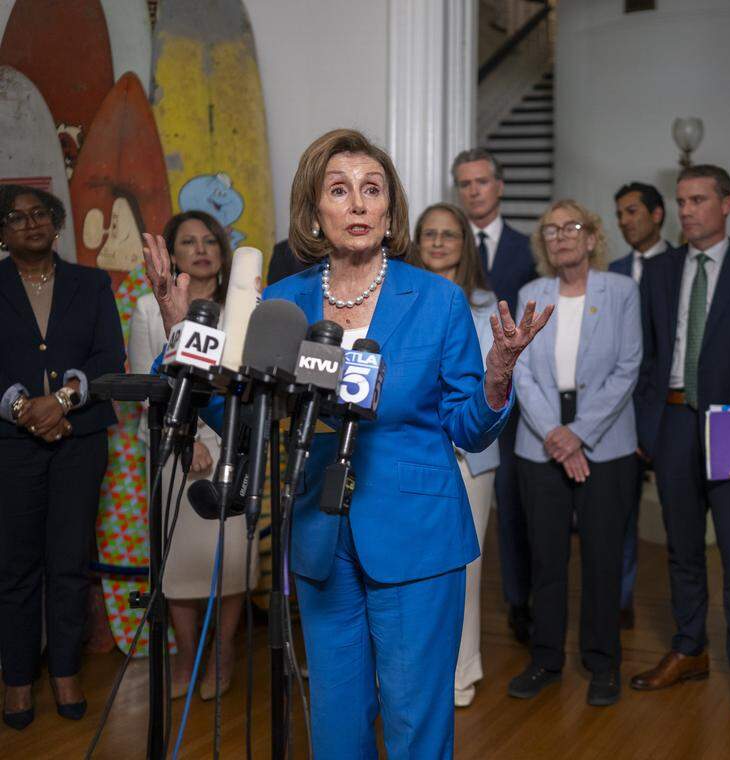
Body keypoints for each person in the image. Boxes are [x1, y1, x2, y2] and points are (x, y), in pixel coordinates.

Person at [141, 129, 551, 759]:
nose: (357, 204)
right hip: (318, 531)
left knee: (415, 724)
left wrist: (497, 378)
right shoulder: (280, 303)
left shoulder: (436, 299)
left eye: (372, 190)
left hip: (417, 534)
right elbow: (238, 418)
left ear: (389, 211)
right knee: (334, 725)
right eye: (340, 190)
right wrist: (182, 338)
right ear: (314, 211)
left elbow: (468, 427)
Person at [631, 165, 730, 719]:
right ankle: (688, 648)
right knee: (681, 549)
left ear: (727, 203)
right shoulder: (660, 271)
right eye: (681, 201)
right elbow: (649, 358)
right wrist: (647, 430)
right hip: (672, 423)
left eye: (699, 199)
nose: (688, 210)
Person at [0, 184, 125, 728]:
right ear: (2, 232)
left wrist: (62, 402)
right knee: (15, 567)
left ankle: (67, 672)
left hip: (81, 438)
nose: (30, 224)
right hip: (11, 443)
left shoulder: (92, 283)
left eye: (40, 215)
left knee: (70, 564)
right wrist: (25, 408)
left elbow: (109, 356)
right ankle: (18, 680)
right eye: (15, 217)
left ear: (55, 224)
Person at [508, 200, 641, 707]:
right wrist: (555, 435)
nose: (561, 236)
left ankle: (603, 663)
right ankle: (545, 659)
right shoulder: (530, 293)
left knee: (604, 559)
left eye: (572, 228)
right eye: (551, 230)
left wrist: (578, 434)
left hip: (606, 443)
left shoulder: (621, 290)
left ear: (591, 238)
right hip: (540, 441)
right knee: (545, 559)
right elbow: (520, 370)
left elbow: (628, 368)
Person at [128, 210, 255, 700]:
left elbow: (243, 389)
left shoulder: (243, 310)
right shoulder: (146, 308)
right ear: (173, 254)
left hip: (232, 452)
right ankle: (186, 656)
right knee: (178, 564)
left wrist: (214, 441)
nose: (201, 249)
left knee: (230, 561)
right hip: (174, 449)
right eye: (188, 241)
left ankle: (221, 655)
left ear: (222, 254)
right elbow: (149, 383)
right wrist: (189, 441)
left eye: (210, 241)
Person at [406, 202, 499, 708]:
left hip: (468, 457)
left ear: (465, 244)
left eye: (449, 235)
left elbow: (490, 383)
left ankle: (461, 673)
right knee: (412, 569)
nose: (439, 243)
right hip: (410, 452)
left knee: (464, 571)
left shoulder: (486, 304)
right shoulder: (401, 298)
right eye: (429, 234)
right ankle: (415, 675)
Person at [453, 147, 538, 644]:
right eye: (464, 184)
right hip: (465, 403)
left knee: (515, 510)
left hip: (520, 400)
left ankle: (519, 605)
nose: (473, 191)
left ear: (499, 185)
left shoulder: (527, 249)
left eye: (481, 181)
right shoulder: (444, 247)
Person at [610, 180, 674, 629]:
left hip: (670, 416)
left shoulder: (679, 265)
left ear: (657, 215)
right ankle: (618, 600)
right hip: (616, 417)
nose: (625, 221)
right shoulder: (611, 271)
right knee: (620, 518)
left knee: (680, 523)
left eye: (633, 211)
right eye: (619, 214)